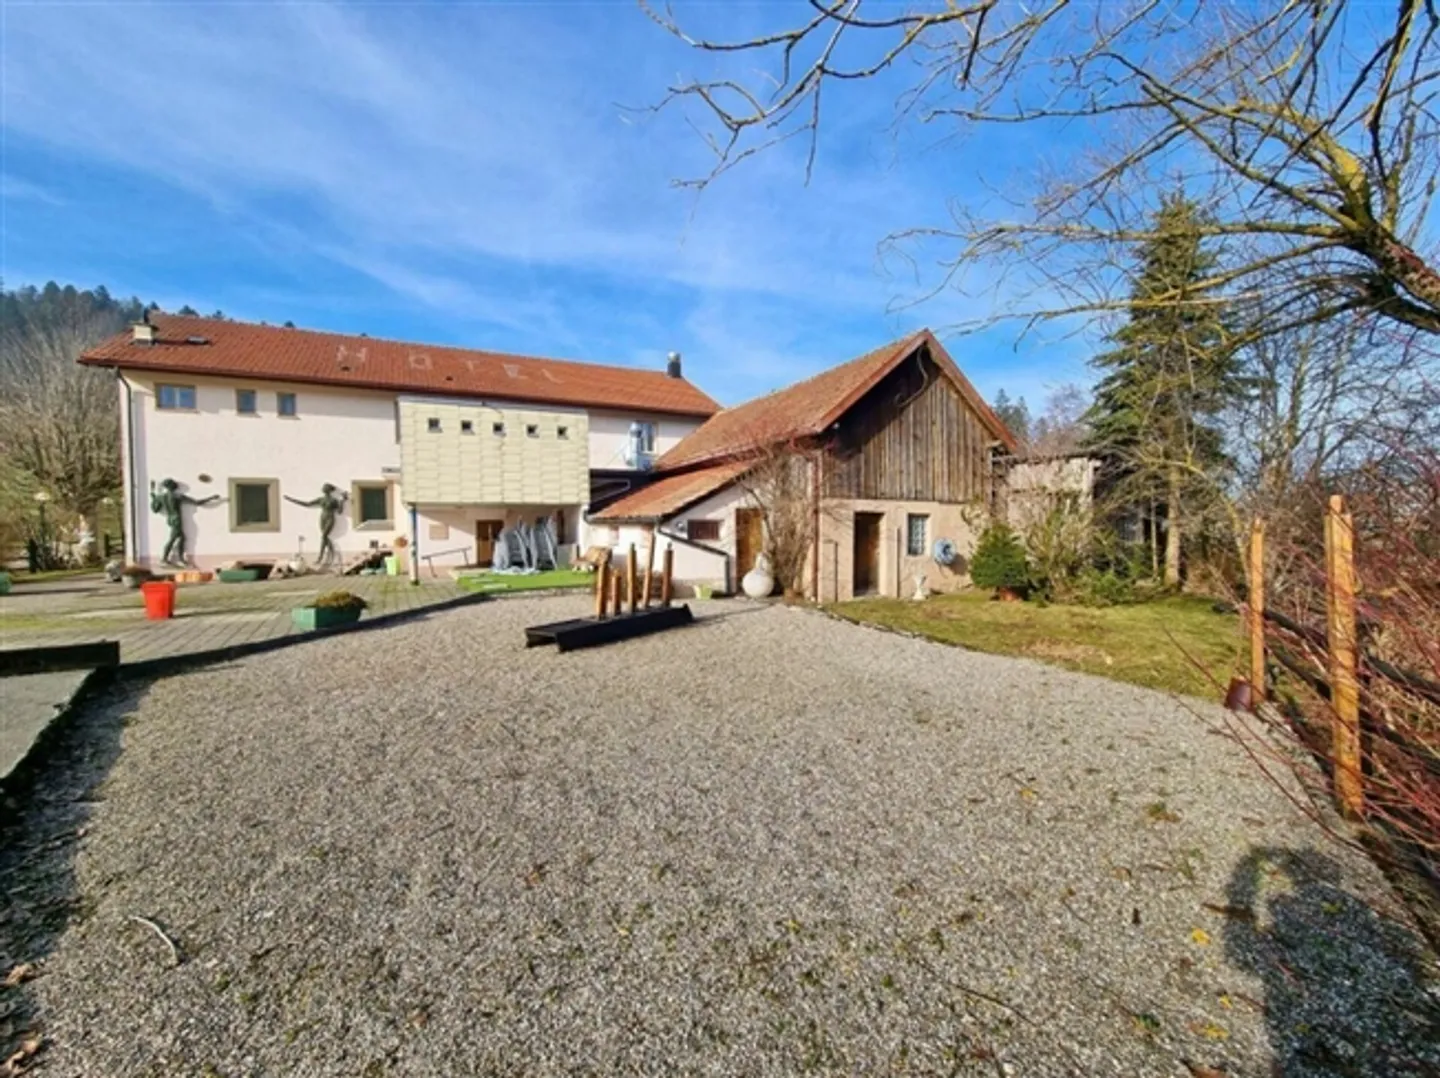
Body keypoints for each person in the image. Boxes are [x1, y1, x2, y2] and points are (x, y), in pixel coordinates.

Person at [149, 478, 218, 567]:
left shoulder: (161, 497)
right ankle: (165, 559)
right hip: (177, 519)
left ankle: (180, 559)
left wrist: (154, 497)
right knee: (173, 538)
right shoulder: (177, 496)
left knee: (182, 538)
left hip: (170, 519)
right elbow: (197, 502)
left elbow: (155, 509)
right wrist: (211, 498)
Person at [284, 484, 348, 567]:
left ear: (329, 490)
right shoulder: (321, 499)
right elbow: (307, 504)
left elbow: (339, 512)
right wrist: (291, 499)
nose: (323, 489)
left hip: (330, 518)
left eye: (325, 488)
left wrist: (342, 501)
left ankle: (320, 557)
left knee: (324, 536)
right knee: (324, 537)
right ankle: (331, 556)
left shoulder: (334, 500)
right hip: (322, 518)